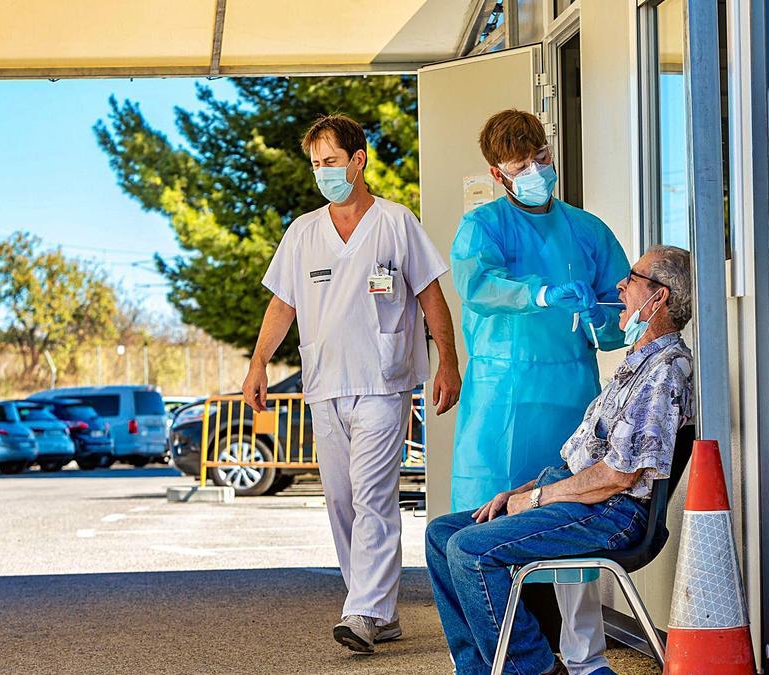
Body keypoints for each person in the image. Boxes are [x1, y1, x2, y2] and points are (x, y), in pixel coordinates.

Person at [241, 113, 462, 655]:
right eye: (316, 164)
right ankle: (374, 608)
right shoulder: (303, 232)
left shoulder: (395, 222)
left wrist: (448, 361)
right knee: (340, 501)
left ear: (358, 160)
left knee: (373, 497)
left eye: (331, 161)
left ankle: (365, 610)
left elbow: (431, 294)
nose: (323, 172)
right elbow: (282, 303)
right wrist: (257, 362)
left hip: (383, 382)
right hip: (324, 384)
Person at [427, 245, 695, 675]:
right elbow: (584, 460)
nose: (620, 285)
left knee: (471, 549)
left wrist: (534, 500)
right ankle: (478, 668)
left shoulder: (665, 369)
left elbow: (617, 478)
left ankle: (531, 669)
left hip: (611, 512)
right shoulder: (637, 363)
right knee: (443, 534)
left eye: (632, 278)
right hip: (585, 495)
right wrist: (520, 492)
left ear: (658, 296)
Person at [448, 109, 631, 673]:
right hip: (498, 398)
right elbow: (479, 285)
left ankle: (585, 657)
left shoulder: (587, 229)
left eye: (541, 159)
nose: (534, 171)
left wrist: (603, 320)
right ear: (496, 172)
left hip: (568, 392)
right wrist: (545, 295)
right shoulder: (483, 226)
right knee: (477, 527)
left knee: (570, 508)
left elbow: (619, 308)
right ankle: (486, 657)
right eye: (520, 165)